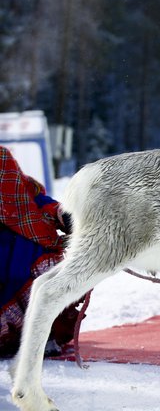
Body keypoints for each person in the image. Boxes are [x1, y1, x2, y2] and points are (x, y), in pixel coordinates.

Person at [0, 146, 79, 357]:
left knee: (48, 276)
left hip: (25, 243)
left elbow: (33, 199)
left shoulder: (3, 160)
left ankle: (44, 336)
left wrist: (64, 214)